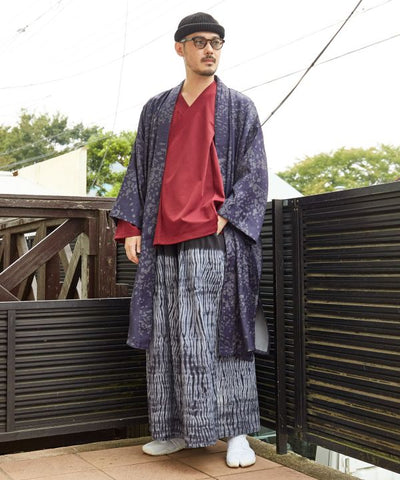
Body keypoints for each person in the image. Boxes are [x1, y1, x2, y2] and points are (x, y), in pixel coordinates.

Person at [110, 12, 268, 468]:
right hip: (162, 239)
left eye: (217, 42)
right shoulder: (156, 109)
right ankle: (175, 429)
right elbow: (139, 168)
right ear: (180, 48)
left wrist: (228, 215)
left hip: (214, 239)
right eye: (200, 41)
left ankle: (236, 434)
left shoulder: (239, 107)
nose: (210, 49)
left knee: (219, 334)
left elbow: (255, 173)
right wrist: (132, 226)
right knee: (167, 338)